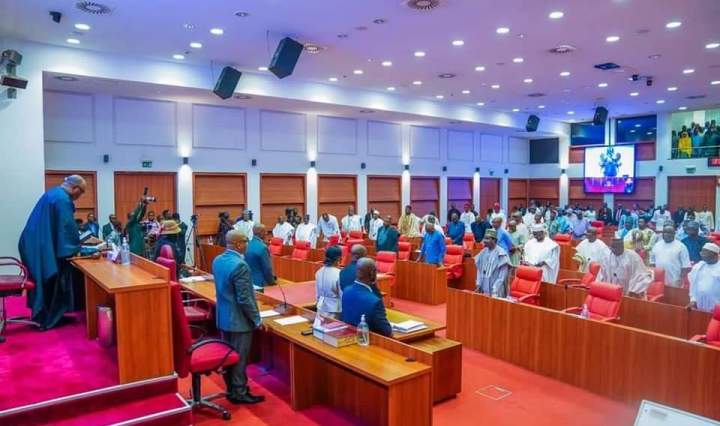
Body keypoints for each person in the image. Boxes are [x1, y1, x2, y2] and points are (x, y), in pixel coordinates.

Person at [18, 175, 86, 330]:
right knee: (53, 277)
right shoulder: (62, 200)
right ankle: (48, 319)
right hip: (40, 246)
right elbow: (66, 228)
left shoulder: (53, 193)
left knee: (42, 281)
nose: (80, 196)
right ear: (75, 188)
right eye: (81, 192)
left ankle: (46, 316)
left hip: (33, 243)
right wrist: (77, 248)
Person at [212, 230, 264, 405]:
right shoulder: (241, 265)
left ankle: (231, 389)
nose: (247, 244)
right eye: (245, 241)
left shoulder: (217, 260)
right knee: (239, 358)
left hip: (223, 317)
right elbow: (245, 299)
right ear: (238, 244)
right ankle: (240, 392)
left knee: (228, 357)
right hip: (239, 321)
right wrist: (257, 319)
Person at [340, 257, 392, 337]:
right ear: (372, 273)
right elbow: (387, 331)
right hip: (366, 340)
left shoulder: (346, 290)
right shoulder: (374, 301)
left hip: (348, 336)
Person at [474, 229, 510, 297]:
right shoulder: (483, 252)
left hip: (496, 289)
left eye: (487, 238)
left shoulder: (501, 254)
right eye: (484, 238)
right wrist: (478, 283)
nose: (484, 241)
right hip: (483, 286)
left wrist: (495, 288)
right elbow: (479, 269)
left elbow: (502, 276)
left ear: (494, 240)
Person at [687, 243, 720, 313]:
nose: (702, 254)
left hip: (717, 308)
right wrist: (693, 300)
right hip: (699, 306)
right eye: (702, 251)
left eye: (705, 252)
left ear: (714, 254)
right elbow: (693, 285)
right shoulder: (699, 266)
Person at [245, 224, 276, 291]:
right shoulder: (263, 247)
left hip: (249, 281)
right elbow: (267, 269)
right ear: (261, 233)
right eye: (265, 231)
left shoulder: (247, 245)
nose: (266, 233)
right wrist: (272, 283)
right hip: (261, 283)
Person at [315, 246, 343, 319]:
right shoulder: (339, 274)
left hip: (320, 308)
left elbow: (317, 294)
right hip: (334, 311)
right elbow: (342, 295)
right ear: (339, 258)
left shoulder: (319, 272)